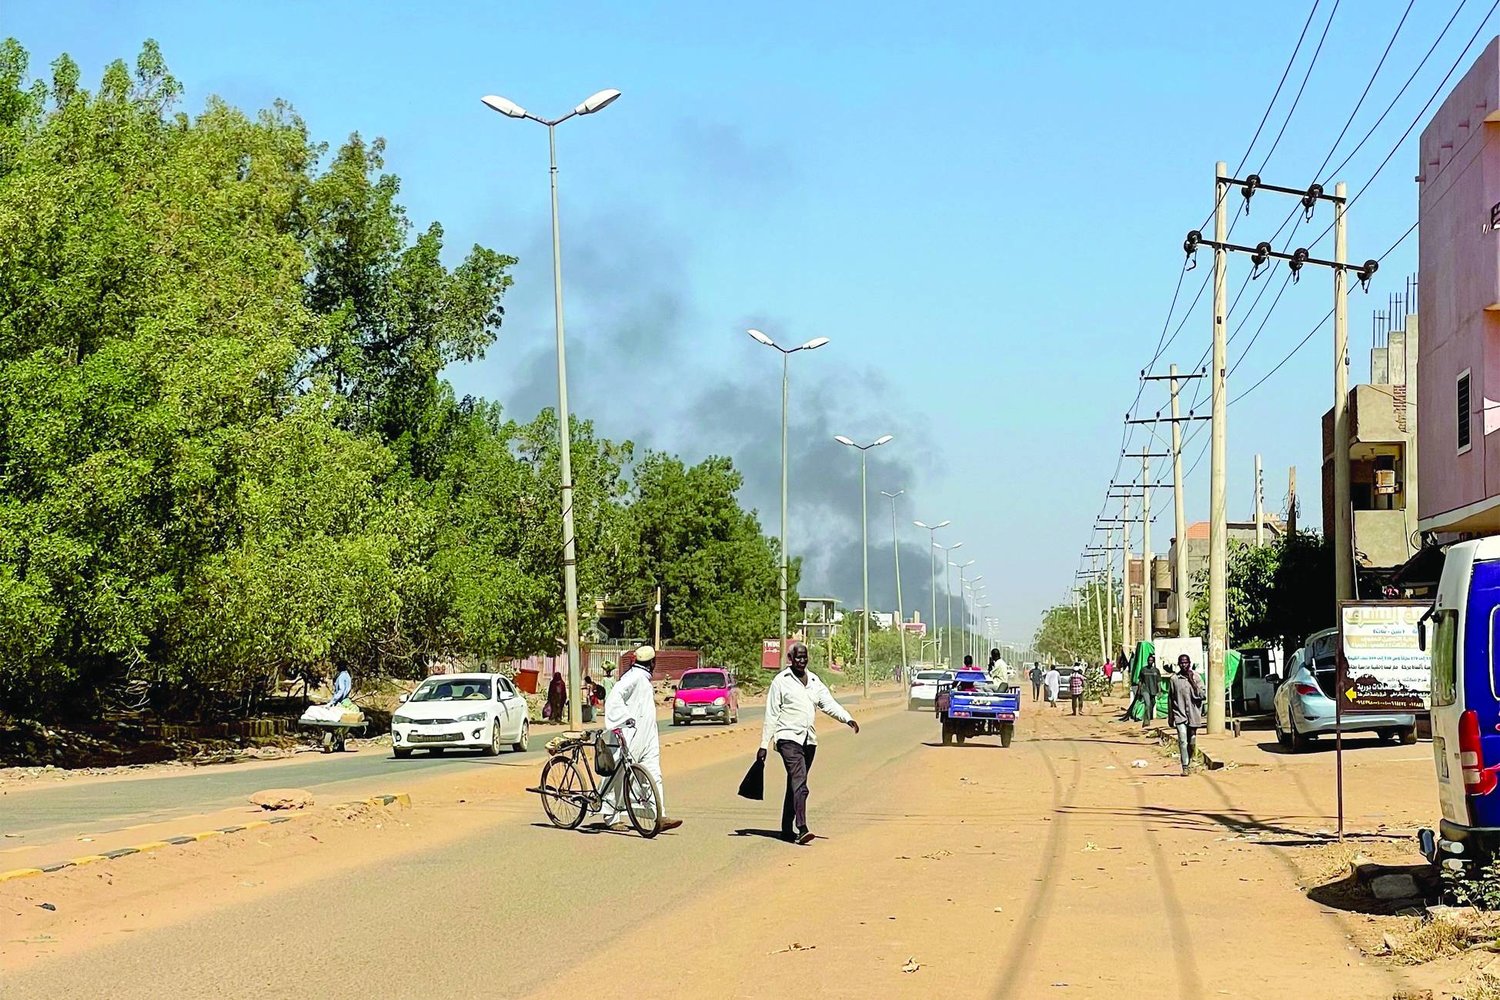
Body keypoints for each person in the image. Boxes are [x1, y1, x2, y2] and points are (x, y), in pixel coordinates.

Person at [758, 642, 859, 845]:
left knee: (794, 783)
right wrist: (763, 744)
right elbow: (771, 714)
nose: (801, 661)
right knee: (800, 781)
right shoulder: (781, 681)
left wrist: (847, 718)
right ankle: (802, 827)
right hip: (787, 738)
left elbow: (828, 703)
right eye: (797, 658)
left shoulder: (813, 680)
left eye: (804, 657)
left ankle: (786, 827)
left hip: (808, 740)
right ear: (790, 659)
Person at [602, 645, 683, 832]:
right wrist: (623, 720)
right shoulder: (634, 677)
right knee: (619, 776)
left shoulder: (643, 679)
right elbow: (614, 697)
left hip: (647, 737)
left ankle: (659, 815)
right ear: (653, 662)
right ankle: (611, 816)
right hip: (630, 736)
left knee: (654, 775)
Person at [1167, 653, 1205, 775]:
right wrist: (1171, 717)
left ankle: (1191, 759)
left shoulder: (1197, 677)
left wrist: (1192, 682)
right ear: (1178, 664)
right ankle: (1185, 766)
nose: (1184, 665)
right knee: (1182, 740)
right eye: (1181, 663)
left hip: (1193, 714)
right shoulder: (1174, 679)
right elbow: (1171, 698)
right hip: (1180, 714)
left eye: (1186, 662)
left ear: (1190, 663)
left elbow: (1202, 695)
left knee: (1192, 741)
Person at [1140, 654, 1161, 729]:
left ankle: (1150, 717)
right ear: (1147, 661)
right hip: (1145, 689)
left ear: (1153, 662)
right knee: (1147, 704)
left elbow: (1159, 681)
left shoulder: (1156, 670)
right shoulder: (1143, 669)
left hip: (1153, 690)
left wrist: (1159, 691)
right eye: (1149, 660)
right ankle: (1146, 721)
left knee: (1152, 703)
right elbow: (1140, 681)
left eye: (1151, 660)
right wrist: (1139, 690)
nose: (1150, 662)